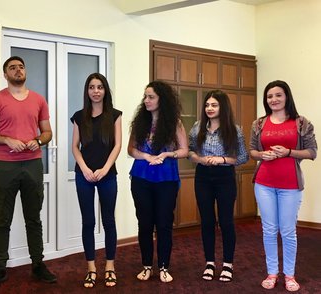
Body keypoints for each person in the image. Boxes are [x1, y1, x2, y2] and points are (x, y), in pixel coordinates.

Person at [0, 56, 57, 288]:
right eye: (12, 68)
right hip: (5, 166)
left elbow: (47, 132)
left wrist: (38, 141)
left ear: (25, 72)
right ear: (5, 74)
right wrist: (6, 140)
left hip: (33, 164)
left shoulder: (38, 100)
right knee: (3, 218)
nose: (17, 70)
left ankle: (38, 264)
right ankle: (0, 267)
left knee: (34, 218)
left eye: (21, 67)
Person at [249, 80, 317, 292]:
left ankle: (289, 275)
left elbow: (312, 152)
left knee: (288, 231)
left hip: (290, 185)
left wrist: (289, 152)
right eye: (269, 96)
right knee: (269, 230)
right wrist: (261, 154)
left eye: (278, 95)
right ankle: (272, 273)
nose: (274, 100)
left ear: (287, 96)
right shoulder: (258, 124)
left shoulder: (301, 122)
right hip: (263, 183)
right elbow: (252, 150)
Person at [128, 80, 188, 283]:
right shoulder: (140, 122)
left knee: (164, 224)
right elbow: (131, 149)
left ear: (162, 99)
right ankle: (146, 266)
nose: (146, 100)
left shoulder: (175, 123)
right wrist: (146, 156)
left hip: (166, 179)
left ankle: (163, 266)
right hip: (141, 178)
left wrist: (167, 154)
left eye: (151, 97)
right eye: (145, 96)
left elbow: (184, 150)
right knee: (145, 223)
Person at [188, 90, 248, 282]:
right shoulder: (197, 128)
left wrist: (222, 159)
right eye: (207, 105)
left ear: (222, 107)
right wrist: (199, 158)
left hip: (225, 177)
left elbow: (243, 157)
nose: (210, 109)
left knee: (226, 221)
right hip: (203, 176)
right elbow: (189, 152)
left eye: (214, 105)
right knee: (207, 221)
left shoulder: (234, 129)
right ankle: (210, 263)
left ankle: (228, 264)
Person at [70, 73, 122, 288]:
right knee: (88, 222)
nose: (96, 91)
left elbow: (118, 145)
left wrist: (104, 168)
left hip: (107, 175)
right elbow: (75, 146)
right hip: (84, 176)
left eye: (100, 87)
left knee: (109, 221)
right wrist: (84, 169)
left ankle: (110, 266)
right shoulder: (79, 116)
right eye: (92, 87)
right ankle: (91, 268)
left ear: (105, 90)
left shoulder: (115, 115)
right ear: (87, 91)